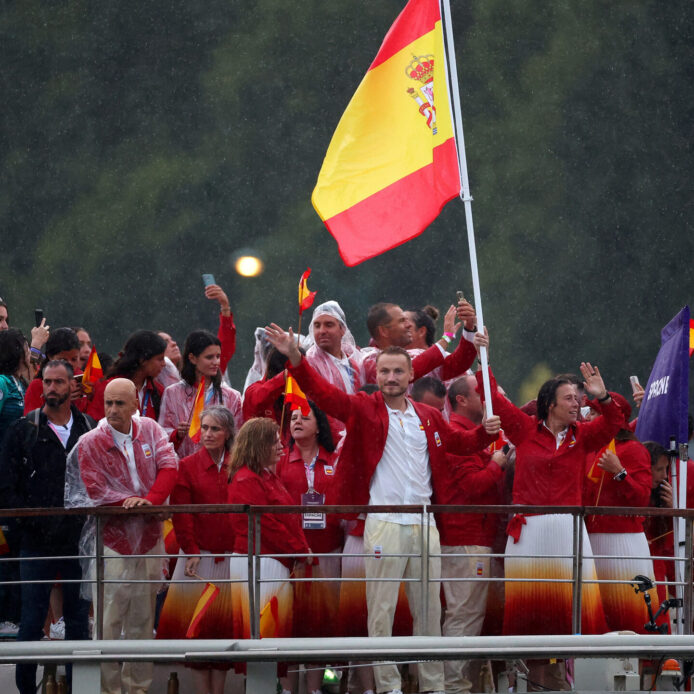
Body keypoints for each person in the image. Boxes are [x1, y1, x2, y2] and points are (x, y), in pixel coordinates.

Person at [265, 325, 501, 694]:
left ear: (411, 376)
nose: (391, 378)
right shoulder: (362, 405)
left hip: (425, 524)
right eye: (385, 372)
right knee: (381, 612)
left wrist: (486, 431)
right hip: (384, 522)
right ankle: (388, 687)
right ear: (376, 375)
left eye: (398, 371)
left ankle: (433, 686)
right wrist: (295, 358)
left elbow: (463, 443)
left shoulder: (428, 415)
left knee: (429, 613)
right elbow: (322, 394)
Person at [477, 360, 624, 690]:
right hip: (529, 533)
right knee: (531, 617)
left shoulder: (583, 436)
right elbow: (490, 394)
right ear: (550, 404)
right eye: (570, 398)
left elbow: (616, 421)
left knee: (569, 618)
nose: (577, 403)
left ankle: (560, 684)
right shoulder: (524, 429)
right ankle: (531, 683)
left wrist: (601, 397)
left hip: (567, 533)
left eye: (578, 397)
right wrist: (478, 345)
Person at [65, 378, 178, 694]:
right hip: (113, 541)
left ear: (135, 405)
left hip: (149, 538)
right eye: (108, 403)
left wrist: (150, 501)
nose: (112, 410)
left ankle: (138, 687)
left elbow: (169, 466)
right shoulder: (90, 442)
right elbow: (93, 489)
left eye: (120, 403)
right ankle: (108, 689)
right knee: (109, 619)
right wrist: (129, 503)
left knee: (143, 619)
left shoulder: (152, 431)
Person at [0, 360, 93, 694]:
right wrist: (26, 524)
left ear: (72, 386)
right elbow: (6, 485)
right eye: (47, 382)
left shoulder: (87, 427)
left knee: (78, 621)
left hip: (77, 541)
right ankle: (26, 689)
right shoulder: (24, 429)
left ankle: (78, 686)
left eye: (58, 382)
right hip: (36, 541)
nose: (51, 388)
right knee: (31, 621)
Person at [436, 374, 509, 694]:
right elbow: (470, 488)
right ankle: (454, 687)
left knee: (469, 618)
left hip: (471, 537)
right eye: (483, 394)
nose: (488, 400)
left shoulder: (464, 433)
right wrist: (496, 465)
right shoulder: (455, 434)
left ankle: (464, 684)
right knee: (464, 618)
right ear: (462, 400)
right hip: (466, 539)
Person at [157, 405, 236, 694]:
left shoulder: (240, 464)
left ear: (228, 433)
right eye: (204, 428)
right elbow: (182, 514)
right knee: (198, 633)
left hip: (232, 559)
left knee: (225, 635)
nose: (208, 434)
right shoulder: (186, 466)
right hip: (197, 559)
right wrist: (190, 550)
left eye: (215, 428)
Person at [227, 418, 312, 678]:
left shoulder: (263, 475)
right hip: (260, 560)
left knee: (272, 631)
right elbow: (267, 525)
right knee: (264, 632)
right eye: (274, 440)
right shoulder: (245, 479)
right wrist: (299, 550)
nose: (280, 444)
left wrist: (299, 550)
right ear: (258, 444)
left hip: (273, 559)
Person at [276, 403, 341, 694]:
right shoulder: (279, 460)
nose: (297, 421)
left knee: (323, 625)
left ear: (320, 426)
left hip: (328, 553)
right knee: (290, 624)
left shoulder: (335, 458)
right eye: (292, 417)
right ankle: (287, 689)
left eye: (305, 417)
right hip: (291, 557)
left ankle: (319, 688)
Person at [583, 394, 655, 633]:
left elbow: (642, 499)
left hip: (623, 541)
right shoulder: (590, 448)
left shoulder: (634, 450)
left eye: (594, 412)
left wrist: (619, 472)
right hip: (590, 540)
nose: (588, 417)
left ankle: (642, 666)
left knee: (631, 614)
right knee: (597, 616)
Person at [159, 330, 242, 459]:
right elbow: (161, 436)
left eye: (218, 356)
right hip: (183, 471)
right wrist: (177, 434)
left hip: (220, 470)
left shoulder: (232, 396)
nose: (216, 362)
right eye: (209, 357)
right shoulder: (172, 393)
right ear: (192, 358)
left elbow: (238, 438)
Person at [361, 301, 478, 387]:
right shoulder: (369, 360)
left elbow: (458, 364)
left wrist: (469, 327)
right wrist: (446, 338)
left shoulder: (415, 355)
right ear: (384, 331)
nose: (408, 325)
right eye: (402, 321)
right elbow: (408, 372)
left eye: (407, 320)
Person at [87, 330, 168, 421]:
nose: (164, 364)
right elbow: (95, 427)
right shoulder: (108, 388)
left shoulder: (159, 391)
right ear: (143, 360)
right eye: (160, 359)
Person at [305, 300, 363, 393]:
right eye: (317, 325)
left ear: (342, 329)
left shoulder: (353, 363)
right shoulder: (310, 362)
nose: (322, 331)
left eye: (328, 325)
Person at [23, 327, 85, 413]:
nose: (69, 364)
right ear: (50, 357)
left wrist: (91, 394)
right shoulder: (37, 386)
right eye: (63, 360)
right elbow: (32, 422)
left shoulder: (85, 381)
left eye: (74, 359)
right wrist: (62, 400)